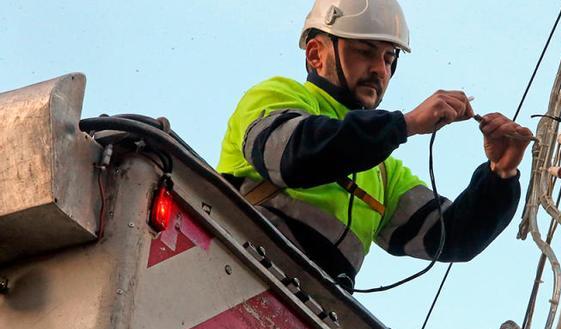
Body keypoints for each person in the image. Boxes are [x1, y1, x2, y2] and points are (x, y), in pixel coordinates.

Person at [218, 0, 533, 290]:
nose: (380, 70)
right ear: (316, 54)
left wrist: (500, 174)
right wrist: (405, 124)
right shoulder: (277, 95)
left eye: (388, 58)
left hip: (313, 310)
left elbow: (450, 237)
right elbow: (298, 155)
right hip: (233, 267)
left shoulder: (382, 172)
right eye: (365, 52)